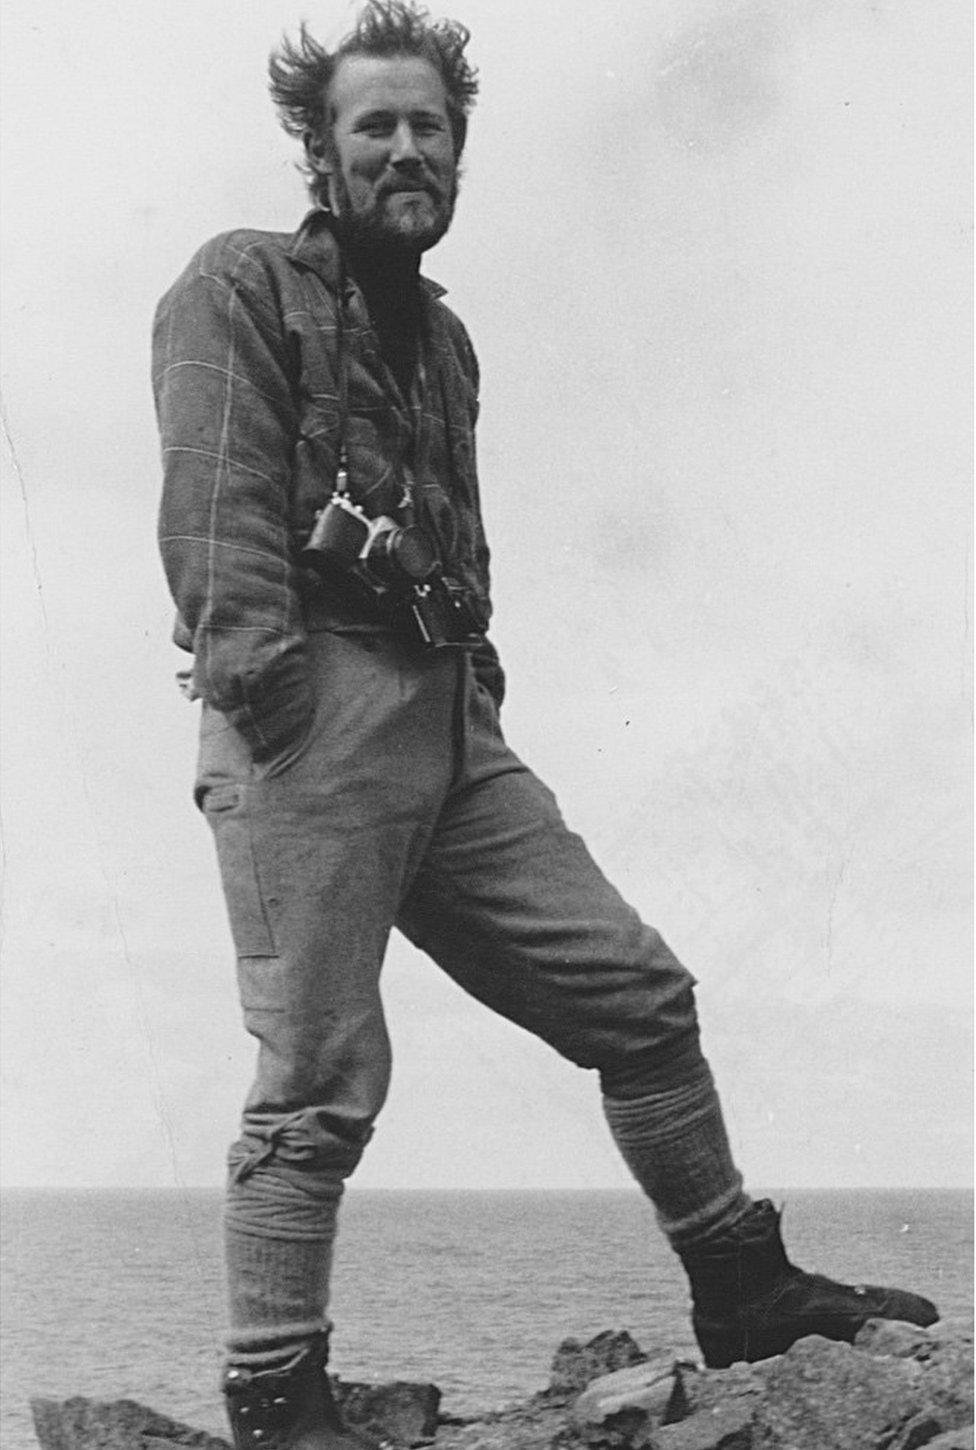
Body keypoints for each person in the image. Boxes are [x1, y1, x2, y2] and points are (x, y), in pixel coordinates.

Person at [152, 5, 938, 1447]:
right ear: (321, 150)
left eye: (429, 127)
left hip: (450, 724)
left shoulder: (445, 342)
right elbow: (217, 520)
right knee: (319, 1079)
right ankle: (274, 1394)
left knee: (640, 997)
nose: (405, 147)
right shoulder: (237, 283)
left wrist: (477, 700)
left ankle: (741, 1285)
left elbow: (467, 547)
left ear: (457, 150)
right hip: (307, 714)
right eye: (374, 125)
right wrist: (280, 703)